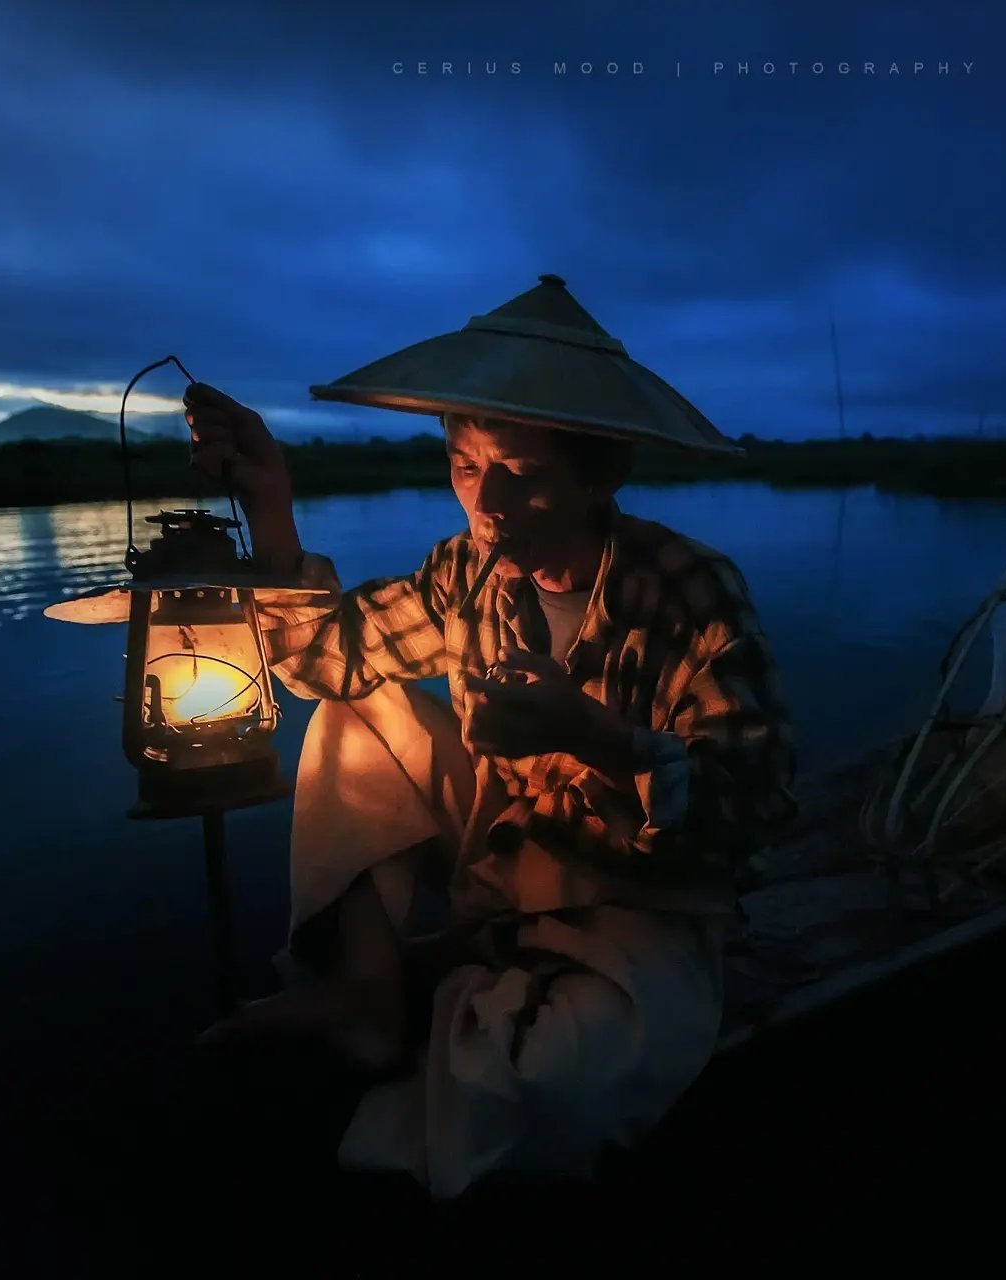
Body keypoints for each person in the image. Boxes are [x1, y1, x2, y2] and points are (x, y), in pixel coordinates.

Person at [181, 275, 799, 1199]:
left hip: (638, 898)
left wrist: (603, 739)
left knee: (559, 1083)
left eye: (524, 473)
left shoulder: (685, 590)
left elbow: (758, 796)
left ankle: (485, 1013)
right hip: (503, 854)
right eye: (468, 466)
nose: (488, 503)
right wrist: (273, 500)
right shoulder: (464, 575)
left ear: (601, 477)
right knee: (356, 713)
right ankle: (370, 987)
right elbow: (321, 660)